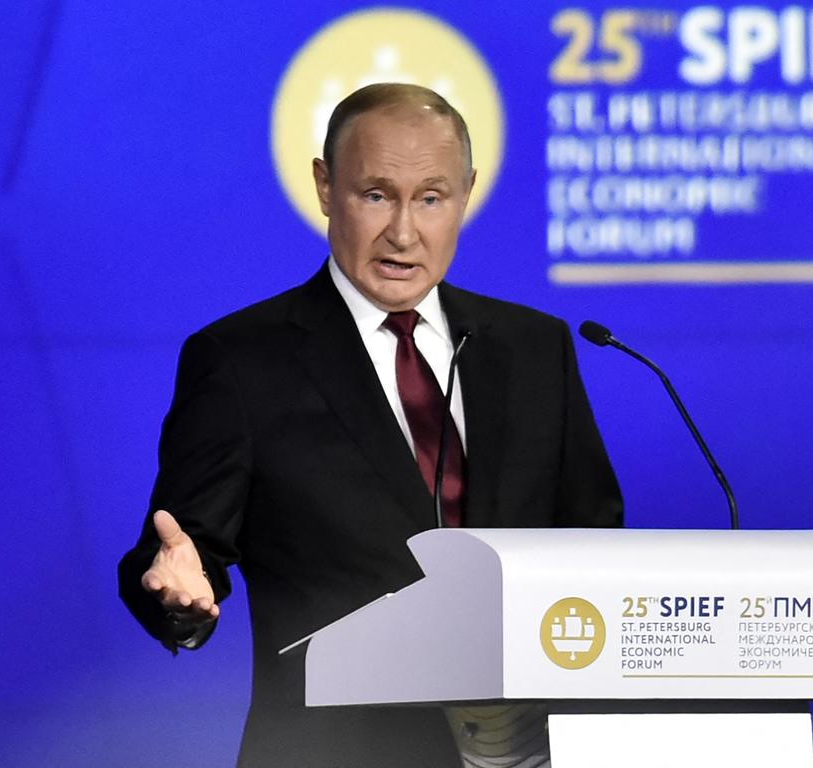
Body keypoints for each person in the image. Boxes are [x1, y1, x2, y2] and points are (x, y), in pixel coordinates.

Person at [119, 83, 623, 768]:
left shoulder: (536, 348)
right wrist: (181, 597)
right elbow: (178, 552)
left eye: (432, 198)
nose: (404, 232)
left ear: (467, 193)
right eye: (377, 195)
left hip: (530, 750)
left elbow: (596, 547)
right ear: (327, 187)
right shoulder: (241, 361)